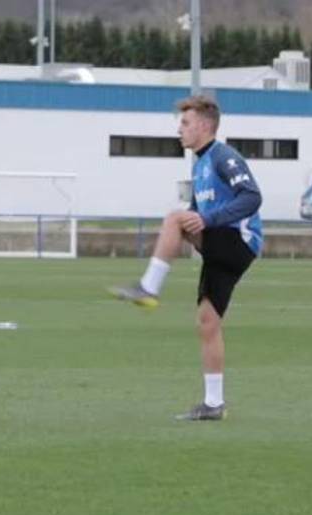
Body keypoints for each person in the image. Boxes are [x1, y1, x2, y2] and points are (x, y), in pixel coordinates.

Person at [109, 95, 263, 421]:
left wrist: (206, 220)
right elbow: (197, 211)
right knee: (207, 323)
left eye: (185, 123)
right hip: (221, 245)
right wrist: (198, 219)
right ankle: (213, 404)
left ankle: (149, 288)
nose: (180, 130)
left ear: (205, 126)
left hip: (239, 241)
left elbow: (252, 197)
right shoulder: (200, 165)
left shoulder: (224, 157)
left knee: (173, 219)